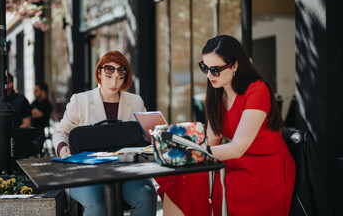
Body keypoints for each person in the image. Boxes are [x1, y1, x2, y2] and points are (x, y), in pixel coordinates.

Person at [158, 35, 296, 216]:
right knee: (182, 180)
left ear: (235, 65)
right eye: (205, 68)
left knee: (198, 181)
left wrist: (187, 152)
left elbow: (238, 147)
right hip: (235, 162)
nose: (208, 75)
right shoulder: (218, 95)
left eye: (215, 70)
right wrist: (178, 146)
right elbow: (211, 141)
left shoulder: (257, 89)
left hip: (265, 169)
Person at [52, 51, 157, 216]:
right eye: (109, 76)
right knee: (97, 204)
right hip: (84, 172)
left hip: (125, 170)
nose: (114, 82)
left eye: (119, 77)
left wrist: (153, 134)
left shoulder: (135, 101)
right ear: (99, 73)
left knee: (147, 195)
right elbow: (61, 131)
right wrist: (62, 147)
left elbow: (146, 136)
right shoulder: (80, 100)